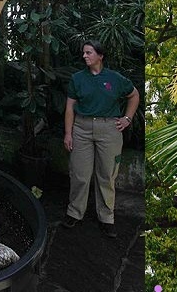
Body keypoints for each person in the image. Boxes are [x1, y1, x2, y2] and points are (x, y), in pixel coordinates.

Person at [62, 39, 139, 238]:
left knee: (107, 174)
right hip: (82, 128)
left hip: (109, 129)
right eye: (84, 53)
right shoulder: (77, 78)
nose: (84, 56)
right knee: (80, 173)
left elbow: (134, 95)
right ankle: (74, 213)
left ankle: (106, 217)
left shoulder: (115, 78)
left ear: (100, 55)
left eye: (89, 53)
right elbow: (70, 107)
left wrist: (127, 118)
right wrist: (68, 133)